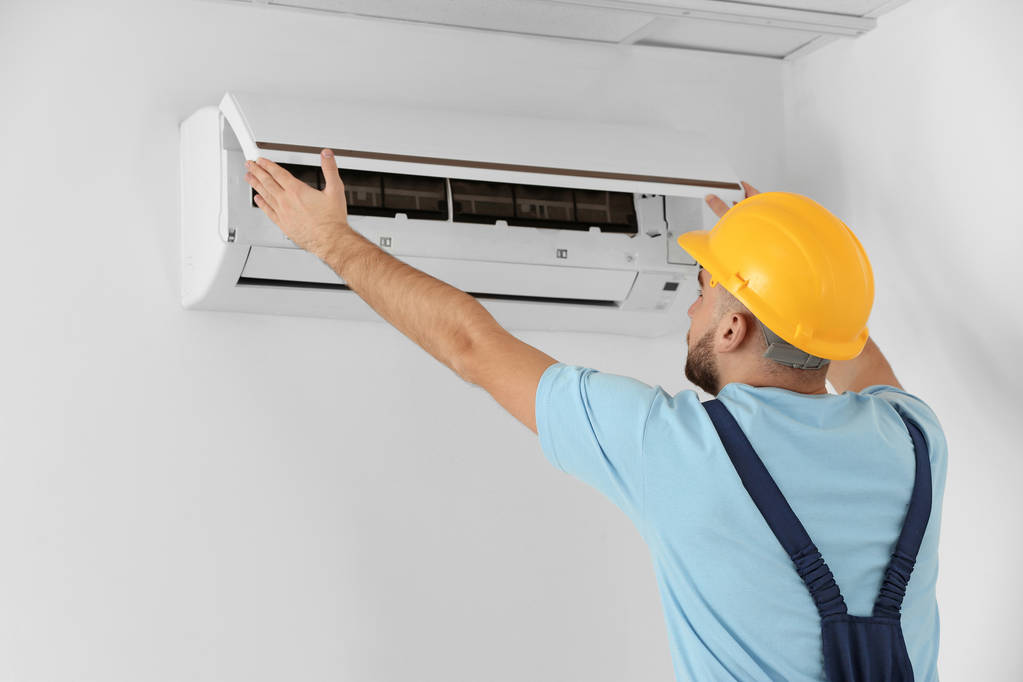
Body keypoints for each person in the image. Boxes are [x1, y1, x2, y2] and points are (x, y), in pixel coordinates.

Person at [244, 150, 946, 681]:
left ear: (731, 330)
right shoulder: (914, 441)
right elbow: (851, 351)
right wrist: (788, 257)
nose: (691, 306)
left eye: (702, 291)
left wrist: (328, 239)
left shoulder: (678, 450)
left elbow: (470, 344)